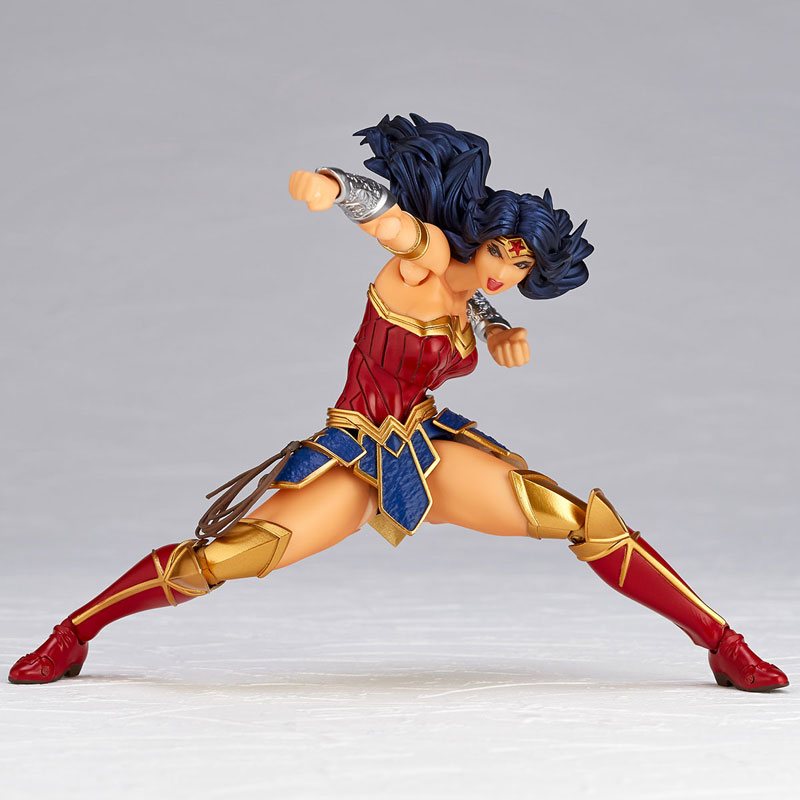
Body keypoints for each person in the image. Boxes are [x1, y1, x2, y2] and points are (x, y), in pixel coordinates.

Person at [8, 114, 788, 693]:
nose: (503, 270)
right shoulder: (427, 258)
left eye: (520, 266)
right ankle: (73, 632)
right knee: (228, 557)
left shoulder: (476, 296)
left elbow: (472, 300)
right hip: (355, 453)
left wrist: (500, 330)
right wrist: (331, 186)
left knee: (580, 518)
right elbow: (391, 222)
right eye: (499, 251)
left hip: (428, 449)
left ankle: (722, 643)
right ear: (479, 237)